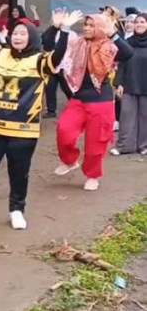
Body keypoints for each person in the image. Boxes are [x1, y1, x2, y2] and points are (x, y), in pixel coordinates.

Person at [0, 7, 77, 230]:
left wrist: (63, 29)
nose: (18, 37)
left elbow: (58, 55)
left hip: (23, 130)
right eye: (15, 33)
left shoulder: (39, 61)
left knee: (19, 173)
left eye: (23, 34)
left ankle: (16, 210)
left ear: (31, 37)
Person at [55, 13, 134, 190]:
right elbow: (55, 50)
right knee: (64, 130)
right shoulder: (77, 43)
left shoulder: (108, 46)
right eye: (86, 24)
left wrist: (112, 34)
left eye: (92, 25)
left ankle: (93, 175)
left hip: (101, 101)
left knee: (96, 143)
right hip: (78, 98)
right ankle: (70, 161)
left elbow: (128, 53)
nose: (87, 28)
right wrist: (63, 27)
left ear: (99, 27)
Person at [112, 13, 147, 156]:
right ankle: (125, 146)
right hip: (129, 83)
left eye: (142, 22)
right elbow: (121, 65)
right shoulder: (127, 43)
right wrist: (119, 83)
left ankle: (144, 146)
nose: (139, 24)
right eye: (137, 22)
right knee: (127, 116)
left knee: (145, 117)